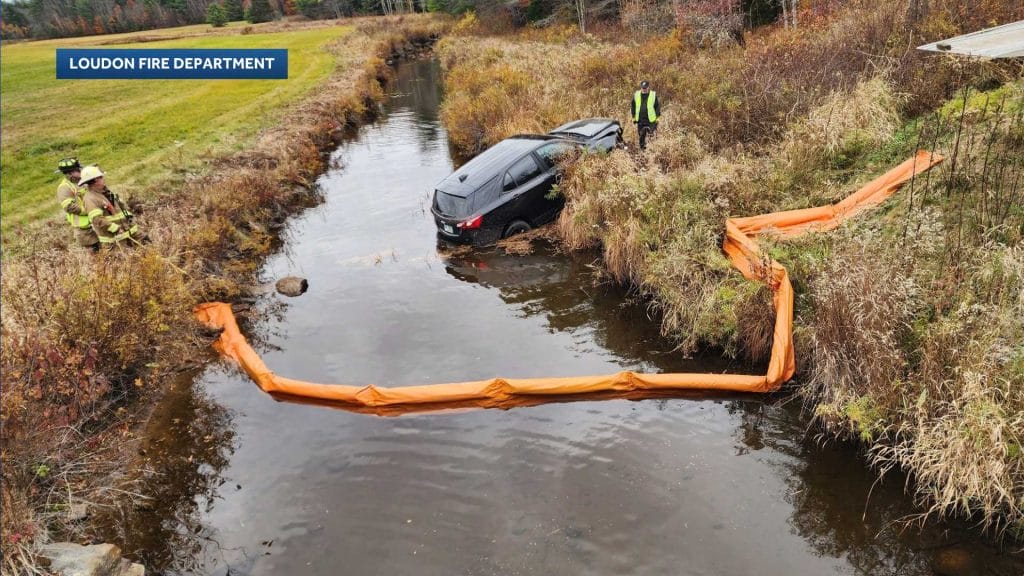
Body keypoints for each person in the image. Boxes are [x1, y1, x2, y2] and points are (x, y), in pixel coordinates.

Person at [78, 165, 140, 248]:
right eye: (101, 177)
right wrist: (116, 229)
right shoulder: (90, 198)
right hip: (114, 241)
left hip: (129, 233)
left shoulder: (106, 192)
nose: (104, 178)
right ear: (96, 180)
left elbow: (120, 209)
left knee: (147, 242)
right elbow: (97, 219)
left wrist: (130, 219)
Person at [55, 158, 99, 250]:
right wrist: (89, 210)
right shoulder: (65, 188)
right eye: (78, 170)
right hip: (84, 229)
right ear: (70, 173)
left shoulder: (83, 181)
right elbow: (69, 207)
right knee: (95, 255)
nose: (81, 171)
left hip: (97, 223)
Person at [631, 80, 661, 150]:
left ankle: (651, 150)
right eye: (642, 88)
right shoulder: (636, 94)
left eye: (645, 88)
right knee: (641, 135)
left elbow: (657, 107)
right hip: (640, 119)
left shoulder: (653, 95)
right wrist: (633, 117)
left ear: (648, 87)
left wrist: (657, 117)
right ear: (641, 87)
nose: (644, 89)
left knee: (651, 135)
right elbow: (633, 106)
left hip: (651, 120)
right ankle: (642, 150)